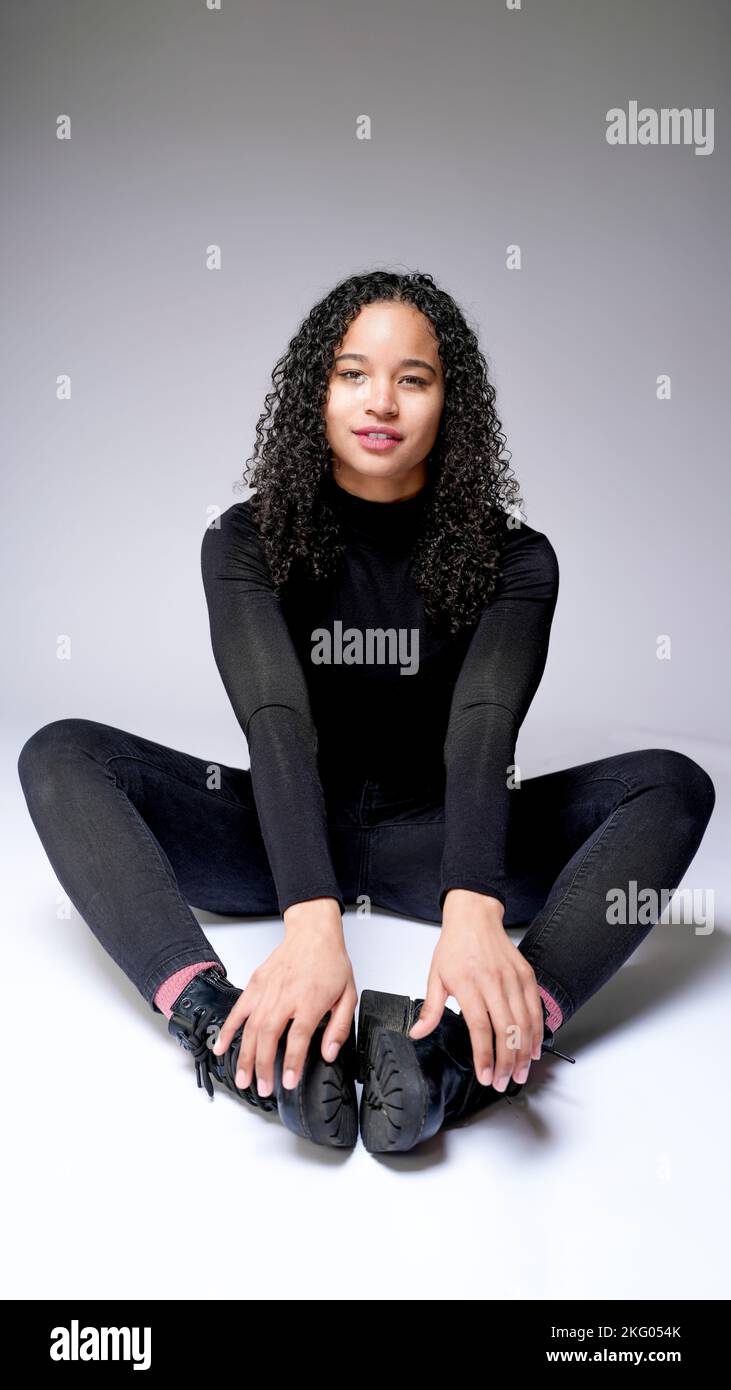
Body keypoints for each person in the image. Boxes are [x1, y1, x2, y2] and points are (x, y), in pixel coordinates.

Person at [17, 269, 716, 1155]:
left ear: (447, 403)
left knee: (672, 785)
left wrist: (473, 907)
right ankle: (230, 1032)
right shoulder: (244, 538)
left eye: (412, 379)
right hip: (276, 837)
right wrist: (312, 920)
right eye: (352, 373)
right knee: (62, 754)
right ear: (316, 390)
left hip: (444, 839)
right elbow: (274, 717)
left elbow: (484, 724)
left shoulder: (515, 557)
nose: (380, 401)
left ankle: (464, 1055)